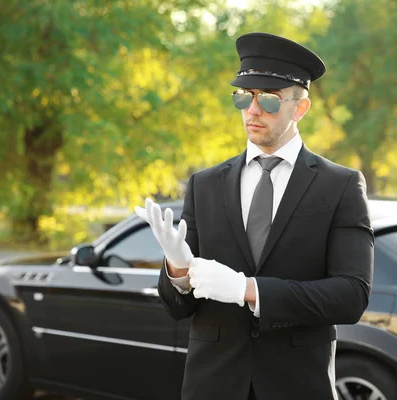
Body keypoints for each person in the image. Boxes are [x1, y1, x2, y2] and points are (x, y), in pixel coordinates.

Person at [135, 32, 374, 400]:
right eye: (244, 97)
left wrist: (249, 290)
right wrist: (178, 270)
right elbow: (177, 308)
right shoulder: (205, 184)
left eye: (269, 100)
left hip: (296, 385)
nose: (253, 110)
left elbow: (351, 295)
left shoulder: (339, 186)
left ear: (300, 108)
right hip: (213, 385)